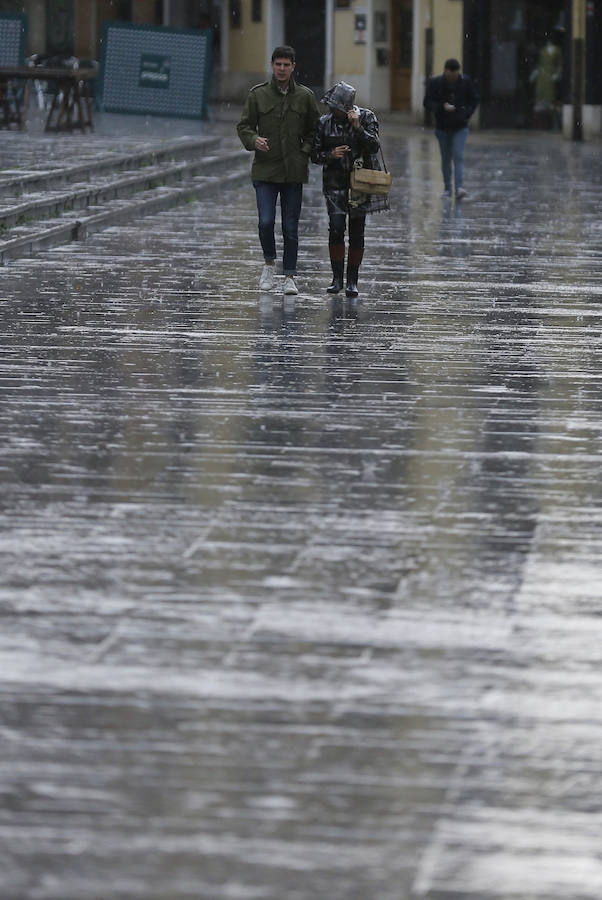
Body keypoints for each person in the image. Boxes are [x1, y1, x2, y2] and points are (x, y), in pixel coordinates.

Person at [237, 45, 320, 295]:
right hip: (265, 170)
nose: (282, 69)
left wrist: (304, 151)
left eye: (286, 65)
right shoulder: (258, 95)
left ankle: (290, 275)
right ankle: (269, 265)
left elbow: (314, 130)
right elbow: (244, 127)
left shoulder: (305, 96)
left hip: (293, 171)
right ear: (272, 66)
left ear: (293, 67)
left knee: (290, 227)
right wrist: (254, 141)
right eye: (278, 64)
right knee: (265, 222)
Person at [310, 81, 385, 298]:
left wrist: (357, 128)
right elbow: (314, 154)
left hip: (360, 183)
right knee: (335, 227)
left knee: (357, 231)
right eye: (332, 107)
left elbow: (374, 146)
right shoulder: (324, 123)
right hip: (334, 182)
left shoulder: (367, 117)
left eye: (338, 108)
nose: (334, 111)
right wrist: (329, 155)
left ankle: (352, 280)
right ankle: (336, 278)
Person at [423, 59, 479, 200]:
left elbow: (474, 100)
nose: (453, 77)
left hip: (460, 127)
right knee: (446, 158)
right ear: (446, 71)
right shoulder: (436, 83)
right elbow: (427, 102)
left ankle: (458, 187)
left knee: (458, 156)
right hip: (442, 127)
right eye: (450, 74)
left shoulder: (465, 82)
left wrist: (465, 113)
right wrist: (442, 107)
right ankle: (448, 188)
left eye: (455, 74)